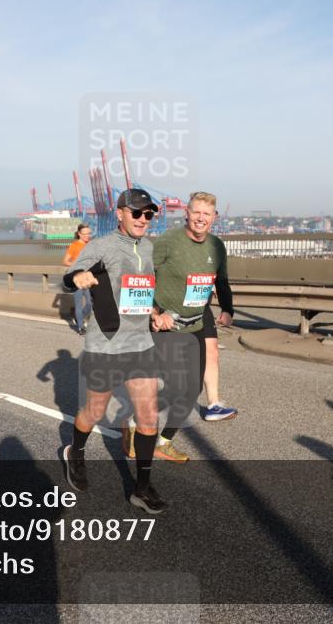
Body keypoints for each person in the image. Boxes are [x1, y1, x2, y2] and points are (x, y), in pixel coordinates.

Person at [62, 188, 166, 514]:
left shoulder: (147, 247)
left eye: (148, 214)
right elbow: (69, 275)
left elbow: (143, 291)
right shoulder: (101, 246)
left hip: (140, 345)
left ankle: (142, 487)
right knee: (94, 412)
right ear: (120, 213)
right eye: (137, 213)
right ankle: (74, 453)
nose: (143, 219)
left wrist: (155, 312)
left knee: (149, 418)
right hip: (105, 344)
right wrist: (78, 276)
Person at [120, 192, 237, 464]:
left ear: (214, 217)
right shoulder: (168, 242)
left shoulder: (217, 246)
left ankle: (163, 442)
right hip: (165, 325)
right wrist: (154, 312)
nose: (201, 218)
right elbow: (139, 275)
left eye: (206, 214)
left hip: (195, 323)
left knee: (191, 390)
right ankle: (136, 419)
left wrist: (228, 309)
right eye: (196, 212)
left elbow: (223, 281)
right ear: (186, 212)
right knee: (173, 387)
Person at [62, 224, 93, 335]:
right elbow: (65, 261)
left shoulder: (91, 245)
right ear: (79, 234)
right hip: (76, 279)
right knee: (79, 304)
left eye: (89, 233)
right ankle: (80, 327)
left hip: (88, 278)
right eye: (84, 234)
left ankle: (78, 316)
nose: (87, 236)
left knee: (90, 304)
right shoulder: (74, 245)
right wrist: (77, 265)